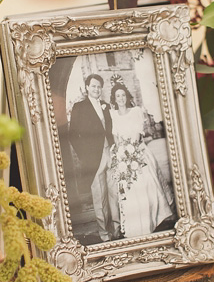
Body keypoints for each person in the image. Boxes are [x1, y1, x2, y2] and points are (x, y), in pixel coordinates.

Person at [107, 83, 174, 239]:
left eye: (123, 95)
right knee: (130, 191)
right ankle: (136, 225)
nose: (121, 98)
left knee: (147, 186)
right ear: (114, 99)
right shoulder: (113, 114)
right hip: (124, 156)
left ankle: (153, 218)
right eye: (118, 96)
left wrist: (132, 153)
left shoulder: (136, 111)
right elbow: (116, 138)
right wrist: (121, 156)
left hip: (138, 153)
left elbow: (138, 135)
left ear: (127, 97)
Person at [68, 73, 119, 242]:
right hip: (94, 159)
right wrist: (85, 156)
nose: (96, 89)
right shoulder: (79, 107)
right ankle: (105, 234)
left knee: (114, 193)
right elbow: (73, 135)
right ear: (87, 87)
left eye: (99, 86)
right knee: (100, 198)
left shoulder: (106, 105)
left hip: (110, 153)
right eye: (93, 86)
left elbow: (112, 129)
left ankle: (118, 229)